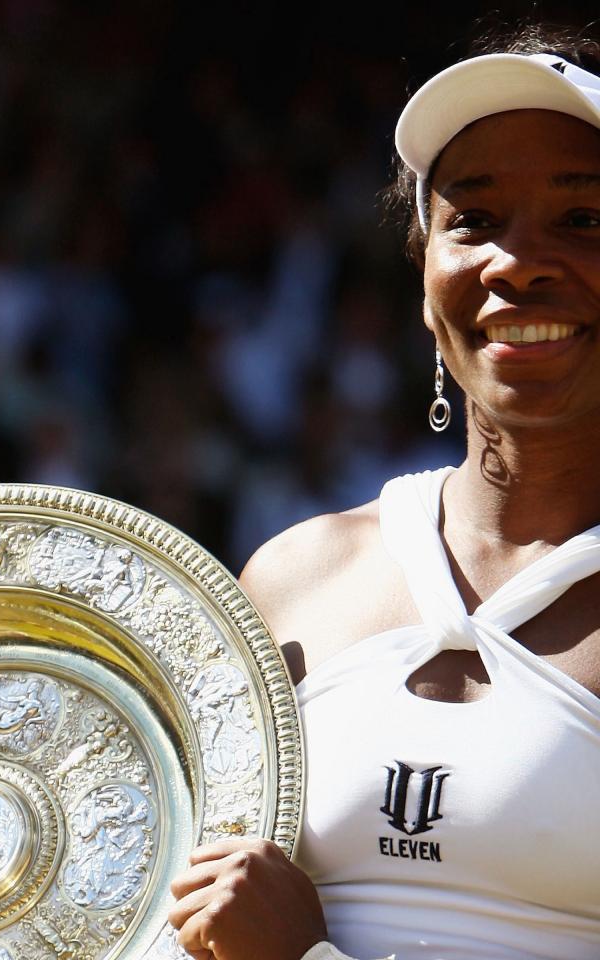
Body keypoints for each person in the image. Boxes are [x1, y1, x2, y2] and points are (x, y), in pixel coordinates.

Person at [170, 23, 600, 960]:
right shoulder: (294, 580)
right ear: (424, 277)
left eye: (583, 220)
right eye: (473, 219)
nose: (516, 261)